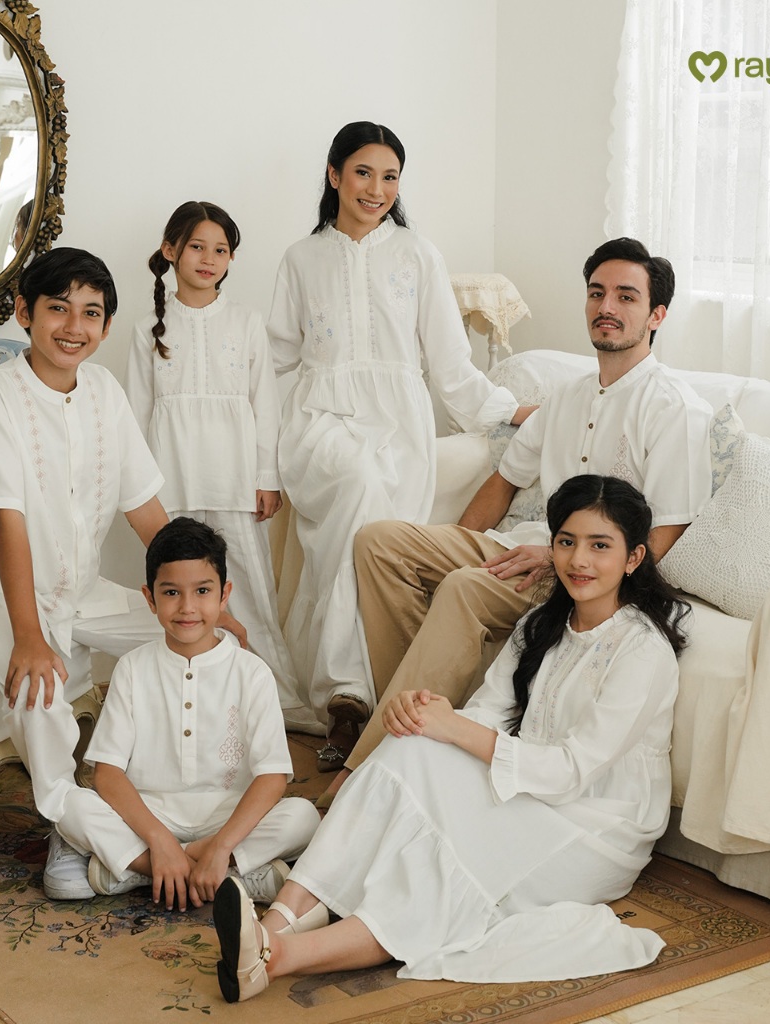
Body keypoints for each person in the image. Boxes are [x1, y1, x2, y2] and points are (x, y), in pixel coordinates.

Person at [212, 474, 691, 1000]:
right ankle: (274, 924)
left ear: (633, 557)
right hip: (531, 792)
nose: (579, 560)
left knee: (443, 864)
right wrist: (429, 717)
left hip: (596, 829)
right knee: (412, 744)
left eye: (600, 546)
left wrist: (454, 727)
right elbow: (486, 711)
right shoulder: (541, 625)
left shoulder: (642, 651)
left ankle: (277, 957)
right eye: (566, 541)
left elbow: (573, 770)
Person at [320, 237, 711, 804]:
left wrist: (559, 555)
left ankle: (365, 772)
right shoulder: (569, 396)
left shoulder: (673, 407)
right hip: (523, 548)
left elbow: (663, 533)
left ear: (657, 315)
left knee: (463, 588)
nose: (607, 306)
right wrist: (461, 541)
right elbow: (504, 480)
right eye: (597, 293)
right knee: (379, 541)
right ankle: (424, 721)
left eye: (626, 296)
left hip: (585, 572)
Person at [267, 120, 531, 760]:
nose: (376, 189)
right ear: (334, 175)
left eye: (390, 177)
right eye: (363, 172)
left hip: (397, 427)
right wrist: (254, 451)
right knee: (358, 481)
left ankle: (354, 700)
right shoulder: (300, 259)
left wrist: (509, 410)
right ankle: (347, 691)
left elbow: (450, 365)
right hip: (320, 420)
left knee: (371, 527)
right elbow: (274, 361)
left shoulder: (418, 255)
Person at [0, 247, 170, 899]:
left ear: (107, 324)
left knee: (197, 639)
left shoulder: (105, 392)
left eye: (91, 313)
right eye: (58, 308)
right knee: (39, 695)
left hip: (81, 590)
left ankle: (175, 805)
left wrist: (196, 599)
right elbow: (8, 523)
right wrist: (29, 637)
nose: (74, 326)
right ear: (24, 313)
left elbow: (146, 509)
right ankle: (116, 849)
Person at [54, 518, 321, 908]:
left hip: (228, 817)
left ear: (224, 594)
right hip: (150, 816)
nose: (187, 607)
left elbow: (272, 777)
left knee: (303, 817)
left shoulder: (252, 672)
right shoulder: (132, 668)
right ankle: (222, 873)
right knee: (67, 804)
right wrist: (160, 840)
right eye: (171, 593)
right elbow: (107, 775)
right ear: (150, 599)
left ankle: (143, 871)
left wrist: (222, 844)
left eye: (202, 591)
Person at [124, 201, 318, 735]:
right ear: (171, 250)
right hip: (170, 482)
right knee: (178, 592)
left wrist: (266, 478)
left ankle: (276, 700)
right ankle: (183, 705)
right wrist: (141, 491)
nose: (209, 259)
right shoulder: (146, 330)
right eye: (197, 247)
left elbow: (264, 405)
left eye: (221, 249)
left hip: (234, 481)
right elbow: (136, 416)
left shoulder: (247, 322)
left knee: (247, 591)